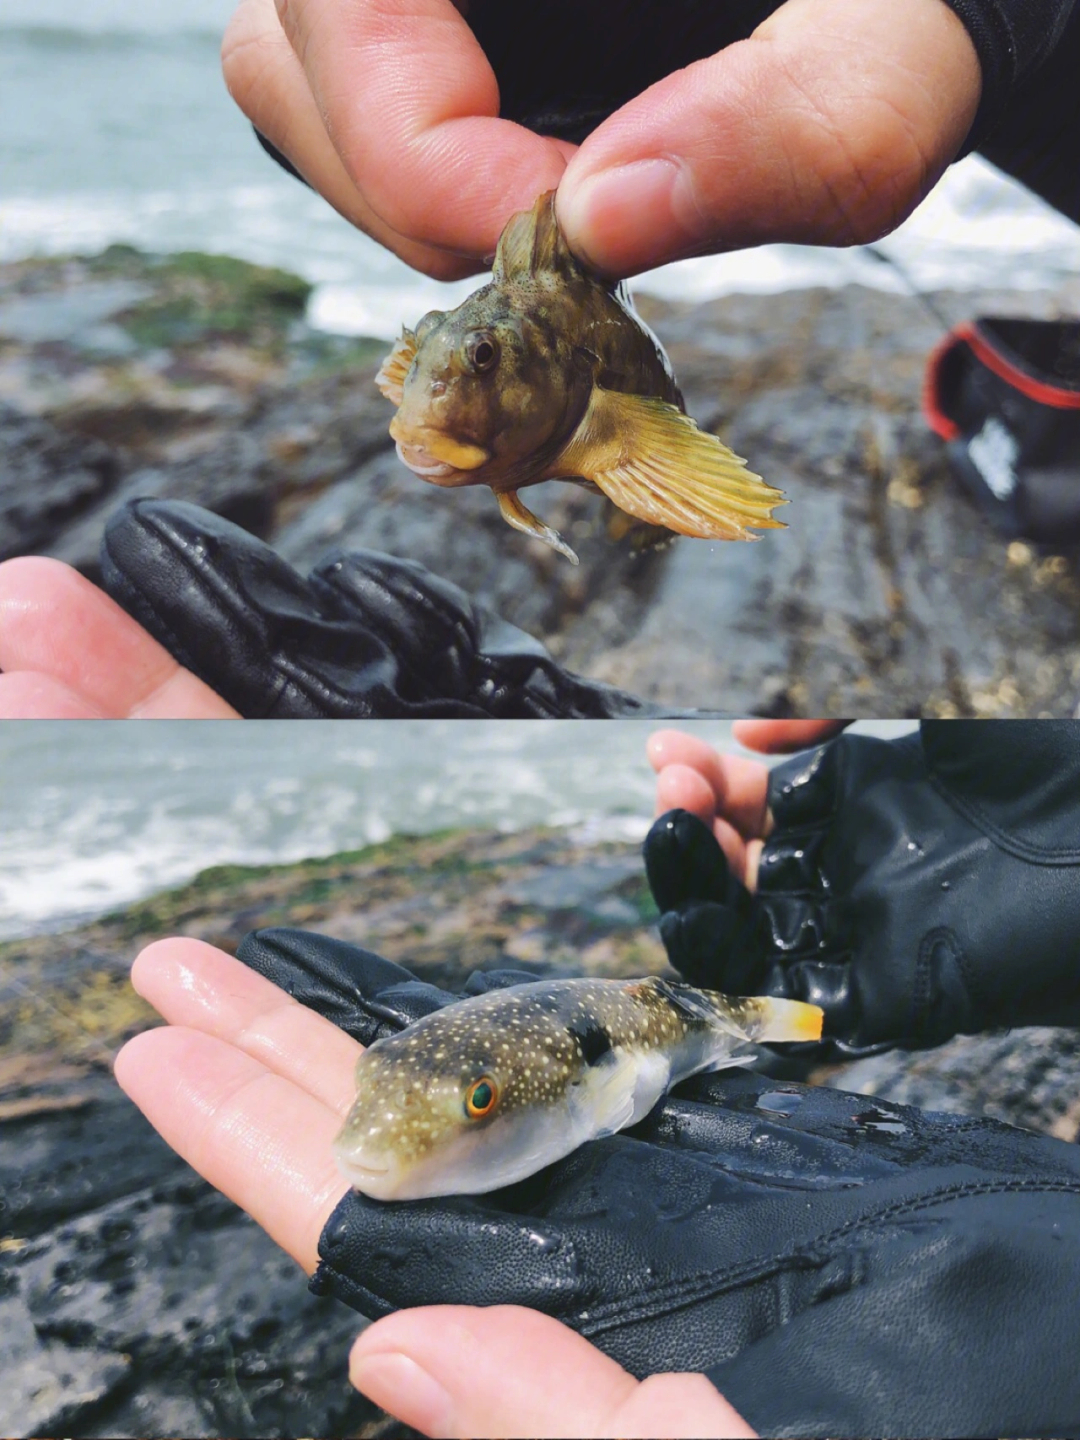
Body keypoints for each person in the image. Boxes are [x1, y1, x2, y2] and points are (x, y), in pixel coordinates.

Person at [2, 0, 1078, 717]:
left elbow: (687, 466)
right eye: (429, 367)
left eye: (469, 367)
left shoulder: (609, 416)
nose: (427, 395)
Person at [113, 720, 1080, 1437]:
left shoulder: (601, 1073)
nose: (382, 1132)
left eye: (480, 1103)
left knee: (744, 1017)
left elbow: (626, 1092)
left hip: (662, 1026)